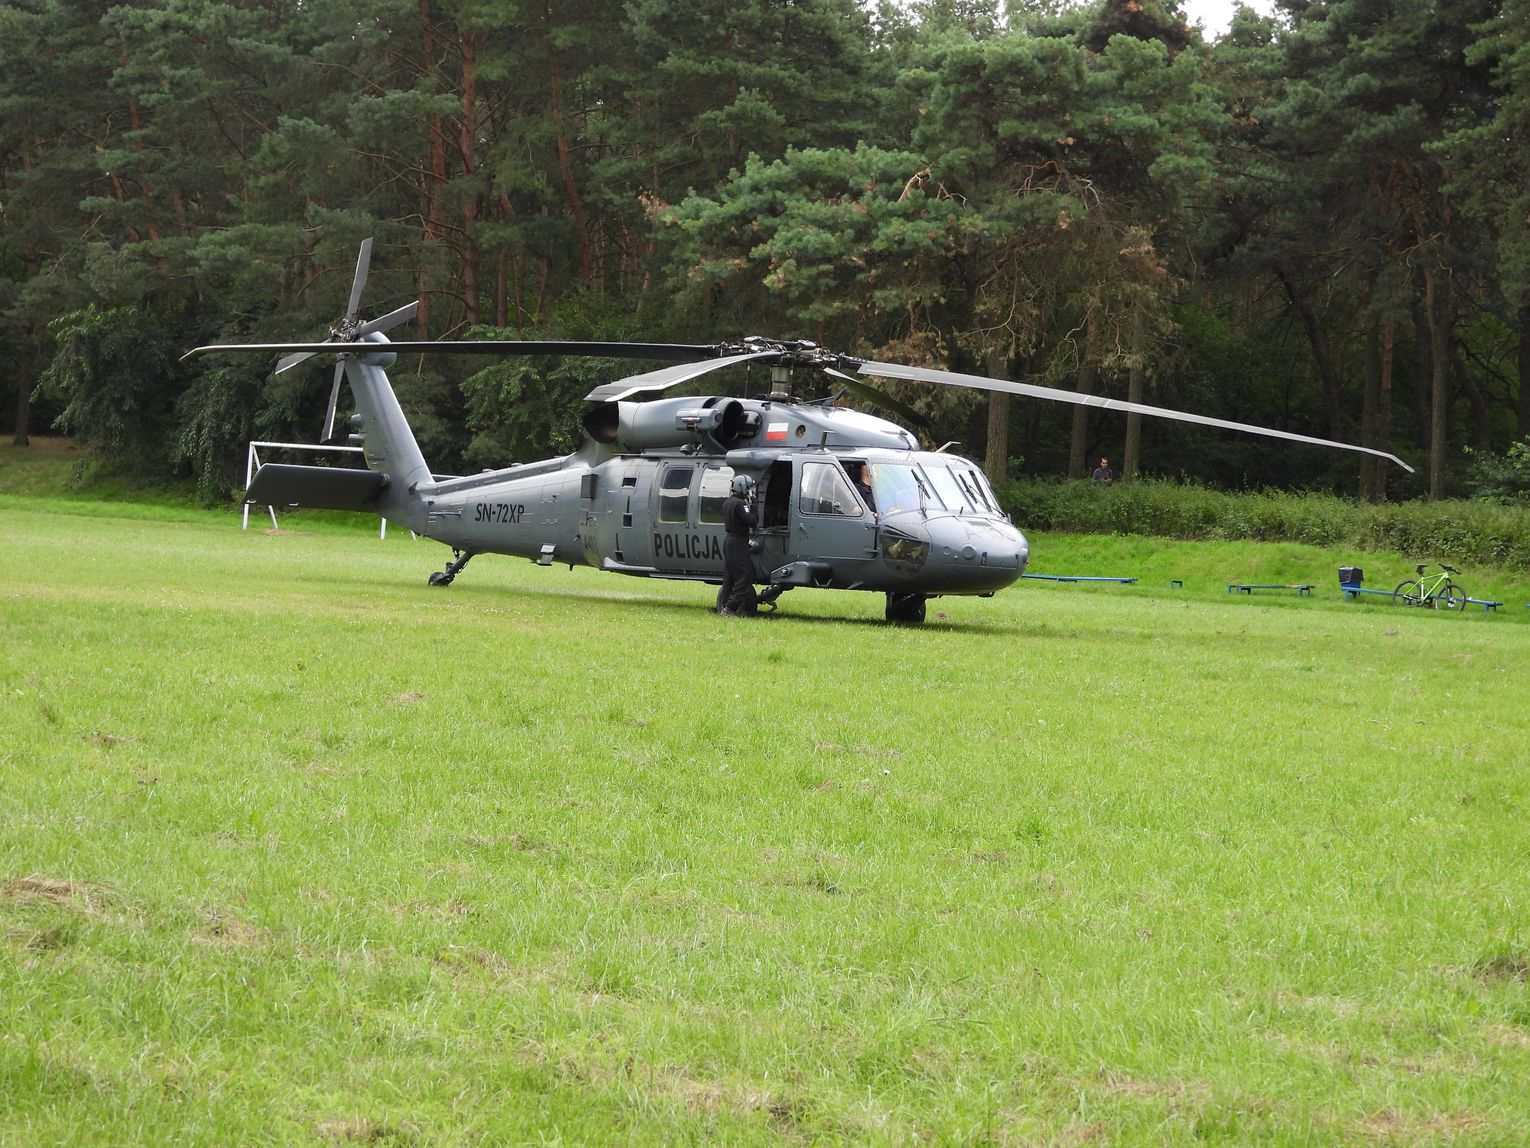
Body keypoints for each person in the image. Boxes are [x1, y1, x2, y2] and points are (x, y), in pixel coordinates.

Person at [718, 473, 758, 616]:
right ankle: (731, 607)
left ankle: (723, 605)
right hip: (738, 542)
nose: (749, 491)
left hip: (729, 540)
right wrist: (754, 506)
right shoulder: (740, 504)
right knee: (744, 576)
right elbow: (752, 521)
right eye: (748, 488)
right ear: (742, 487)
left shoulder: (727, 502)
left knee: (729, 577)